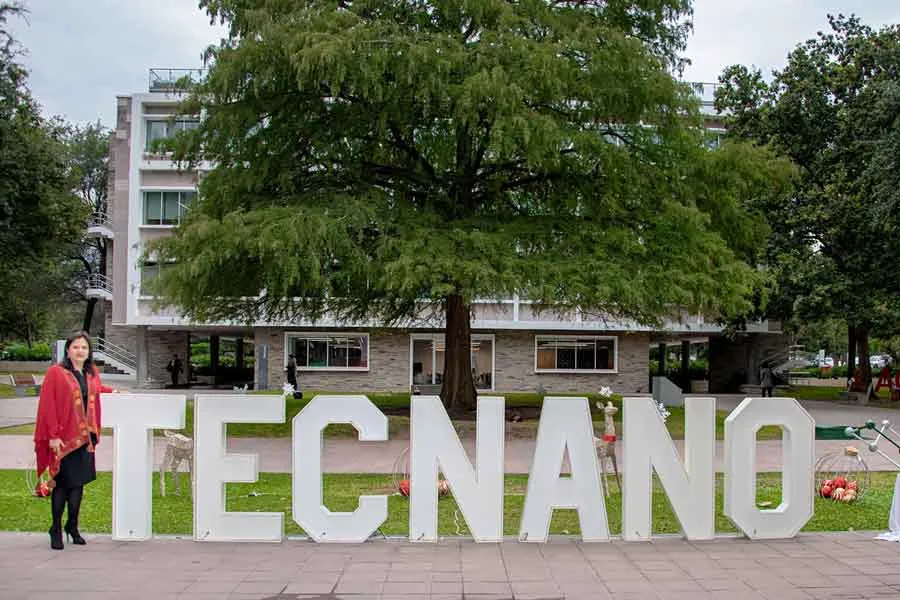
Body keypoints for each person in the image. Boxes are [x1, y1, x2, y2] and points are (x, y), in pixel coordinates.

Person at [34, 331, 115, 550]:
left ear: (89, 352)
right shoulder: (56, 373)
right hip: (65, 438)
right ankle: (56, 529)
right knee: (62, 484)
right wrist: (53, 435)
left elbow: (95, 391)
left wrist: (114, 391)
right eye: (76, 347)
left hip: (86, 437)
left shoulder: (90, 373)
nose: (80, 351)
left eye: (84, 348)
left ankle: (73, 526)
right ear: (68, 350)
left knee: (78, 485)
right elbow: (48, 405)